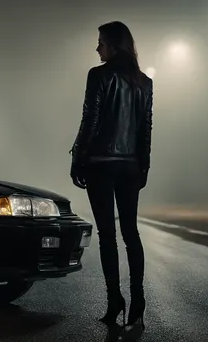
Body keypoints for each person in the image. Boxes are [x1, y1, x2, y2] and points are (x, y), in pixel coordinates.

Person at [69, 21, 153, 332]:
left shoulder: (98, 75)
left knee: (108, 236)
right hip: (131, 166)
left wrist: (78, 159)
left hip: (101, 163)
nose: (97, 48)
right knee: (131, 233)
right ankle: (138, 300)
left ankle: (114, 300)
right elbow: (146, 129)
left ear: (114, 45)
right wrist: (143, 166)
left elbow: (90, 119)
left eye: (101, 42)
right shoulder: (144, 82)